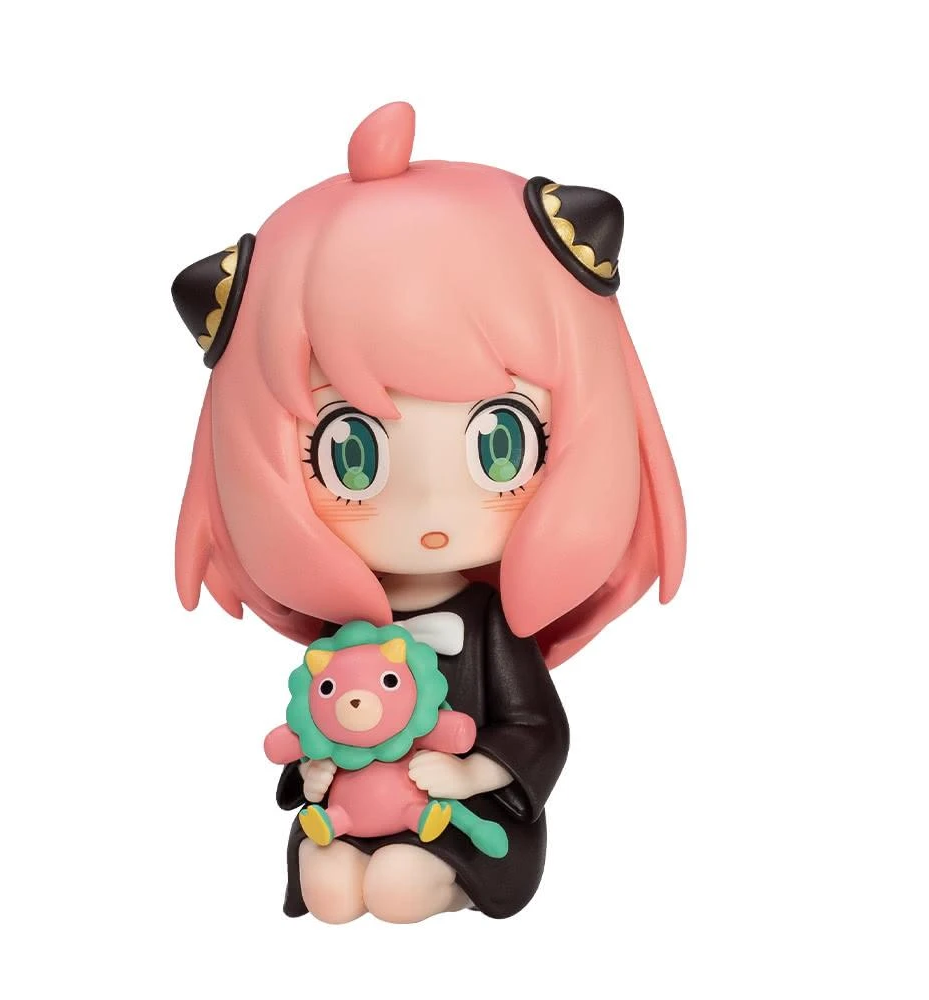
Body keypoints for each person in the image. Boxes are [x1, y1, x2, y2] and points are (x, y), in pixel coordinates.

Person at [171, 101, 686, 923]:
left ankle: (441, 883)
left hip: (469, 823)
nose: (429, 508)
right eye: (351, 455)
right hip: (350, 814)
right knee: (328, 886)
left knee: (402, 886)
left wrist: (472, 772)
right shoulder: (342, 633)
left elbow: (537, 728)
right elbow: (313, 723)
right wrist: (312, 773)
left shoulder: (490, 628)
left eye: (500, 443)